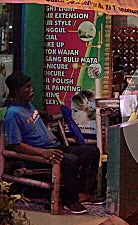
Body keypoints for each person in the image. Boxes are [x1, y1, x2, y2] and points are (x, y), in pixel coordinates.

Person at [4, 72, 104, 214]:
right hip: (39, 155)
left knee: (92, 152)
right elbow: (16, 145)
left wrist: (42, 113)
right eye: (27, 88)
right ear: (16, 92)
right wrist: (43, 153)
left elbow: (30, 118)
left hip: (54, 147)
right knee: (70, 160)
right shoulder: (12, 115)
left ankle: (83, 193)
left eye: (31, 86)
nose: (31, 90)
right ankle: (70, 201)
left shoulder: (27, 105)